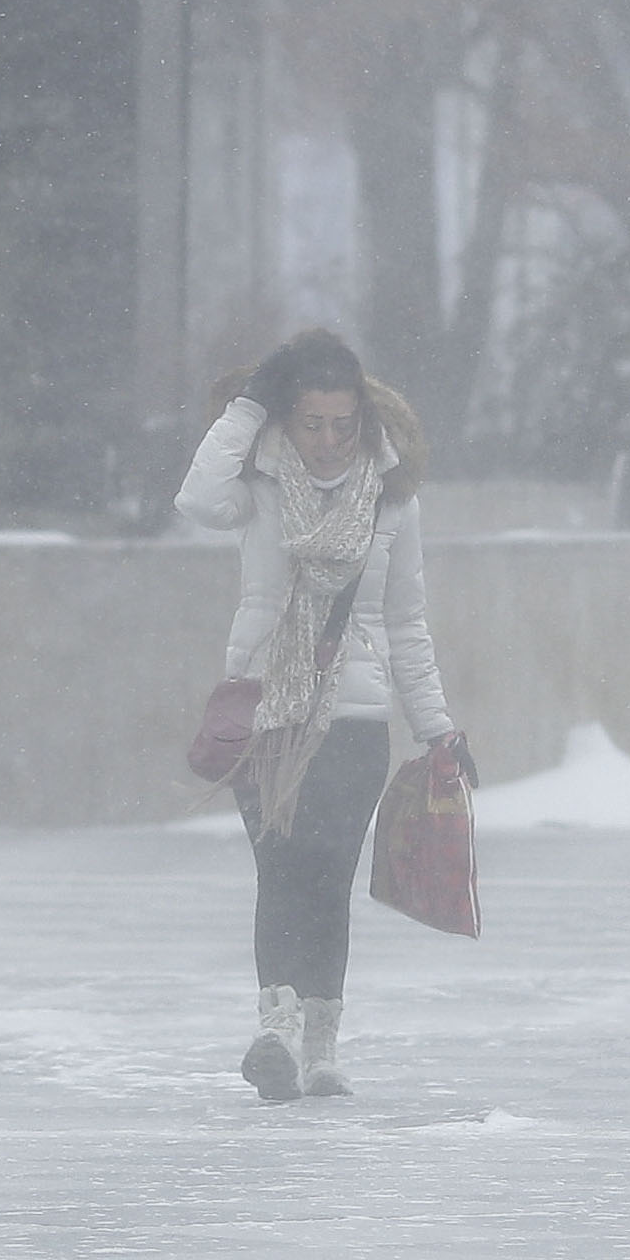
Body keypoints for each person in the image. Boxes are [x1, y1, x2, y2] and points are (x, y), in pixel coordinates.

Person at [174, 331, 469, 1101]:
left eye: (344, 426)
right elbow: (197, 498)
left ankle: (320, 1045)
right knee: (279, 865)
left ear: (365, 423)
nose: (328, 441)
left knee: (326, 876)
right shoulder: (260, 484)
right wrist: (247, 406)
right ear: (287, 421)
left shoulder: (395, 499)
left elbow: (407, 623)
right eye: (311, 424)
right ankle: (274, 1030)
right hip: (268, 707)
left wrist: (438, 728)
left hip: (357, 714)